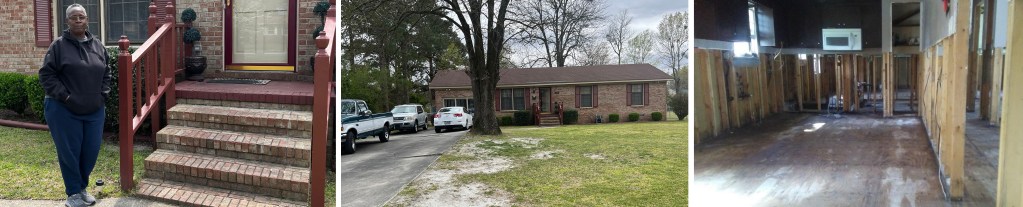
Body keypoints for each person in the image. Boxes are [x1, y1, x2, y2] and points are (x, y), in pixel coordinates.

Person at [38, 3, 111, 207]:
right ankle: (73, 194)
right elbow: (46, 75)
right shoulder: (58, 46)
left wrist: (103, 95)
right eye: (73, 17)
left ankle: (81, 187)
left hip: (94, 109)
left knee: (90, 150)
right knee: (69, 152)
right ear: (67, 21)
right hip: (63, 109)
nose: (78, 20)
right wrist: (67, 97)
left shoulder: (98, 45)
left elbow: (107, 72)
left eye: (82, 17)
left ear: (87, 20)